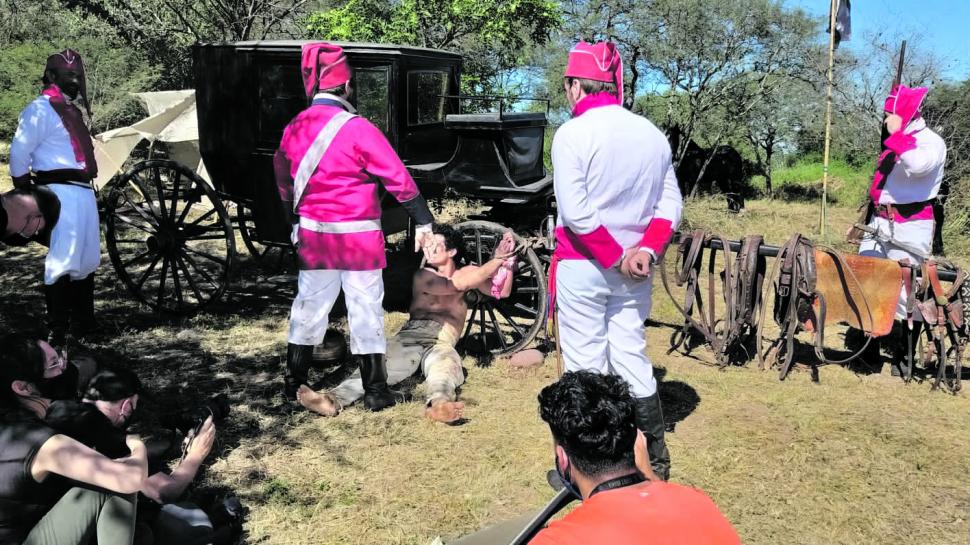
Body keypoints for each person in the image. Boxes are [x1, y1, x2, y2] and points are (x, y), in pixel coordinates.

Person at [275, 42, 437, 409]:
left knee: (309, 308)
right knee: (365, 310)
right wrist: (424, 221)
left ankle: (293, 385)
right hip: (360, 239)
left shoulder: (293, 129)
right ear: (346, 87)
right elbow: (398, 178)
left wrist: (293, 225)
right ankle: (376, 392)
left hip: (315, 236)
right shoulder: (359, 128)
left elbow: (284, 185)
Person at [549, 40, 683, 479]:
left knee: (586, 361)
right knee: (631, 354)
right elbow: (670, 206)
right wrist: (644, 251)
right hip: (636, 271)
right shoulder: (652, 134)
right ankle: (654, 461)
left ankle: (593, 470)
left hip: (586, 264)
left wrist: (615, 256)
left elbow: (576, 212)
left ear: (574, 86)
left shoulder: (573, 134)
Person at [297, 225, 517, 423]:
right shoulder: (424, 275)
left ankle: (439, 405)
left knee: (446, 370)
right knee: (382, 368)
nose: (429, 248)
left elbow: (502, 291)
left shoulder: (470, 272)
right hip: (410, 336)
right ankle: (332, 400)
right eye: (428, 244)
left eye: (436, 244)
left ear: (452, 252)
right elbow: (456, 286)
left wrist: (508, 262)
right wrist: (497, 259)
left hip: (442, 340)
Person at [529, 371, 740, 545]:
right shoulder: (699, 505)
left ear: (563, 459)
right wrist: (650, 476)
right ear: (637, 441)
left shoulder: (554, 539)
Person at [0, 335, 145, 545]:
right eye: (53, 364)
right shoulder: (41, 442)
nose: (64, 369)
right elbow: (130, 479)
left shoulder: (11, 426)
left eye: (60, 358)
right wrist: (135, 442)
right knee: (112, 485)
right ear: (23, 387)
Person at [9, 49, 101, 347]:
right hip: (59, 192)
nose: (74, 81)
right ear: (50, 76)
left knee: (87, 258)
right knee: (63, 258)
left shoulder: (70, 110)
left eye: (77, 75)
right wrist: (27, 196)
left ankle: (85, 323)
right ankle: (58, 329)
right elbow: (19, 155)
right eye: (67, 76)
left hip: (83, 192)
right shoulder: (38, 110)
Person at [855, 84, 947, 376]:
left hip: (911, 224)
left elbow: (918, 166)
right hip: (879, 222)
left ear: (904, 114)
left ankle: (904, 357)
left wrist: (896, 134)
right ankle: (867, 352)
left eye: (889, 115)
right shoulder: (899, 138)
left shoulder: (931, 142)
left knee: (911, 292)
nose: (885, 120)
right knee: (868, 284)